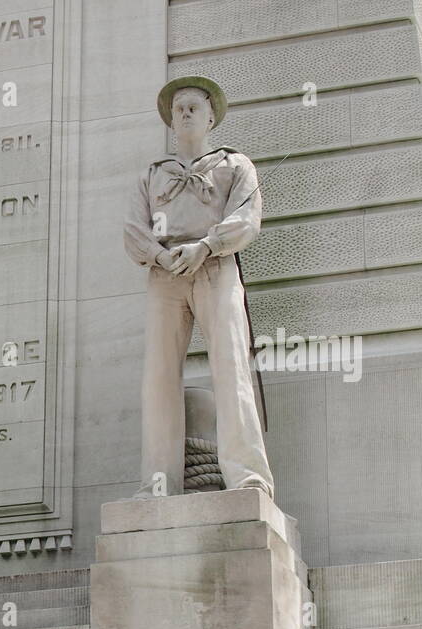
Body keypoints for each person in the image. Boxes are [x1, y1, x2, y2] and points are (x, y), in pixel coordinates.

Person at [124, 75, 274, 499]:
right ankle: (157, 484)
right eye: (178, 109)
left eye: (193, 107)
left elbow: (247, 219)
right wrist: (159, 255)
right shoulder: (152, 176)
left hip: (216, 268)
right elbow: (133, 230)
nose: (185, 113)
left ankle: (248, 477)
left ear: (211, 118)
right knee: (159, 377)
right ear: (171, 121)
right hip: (165, 275)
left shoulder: (234, 165)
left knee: (230, 368)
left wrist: (206, 246)